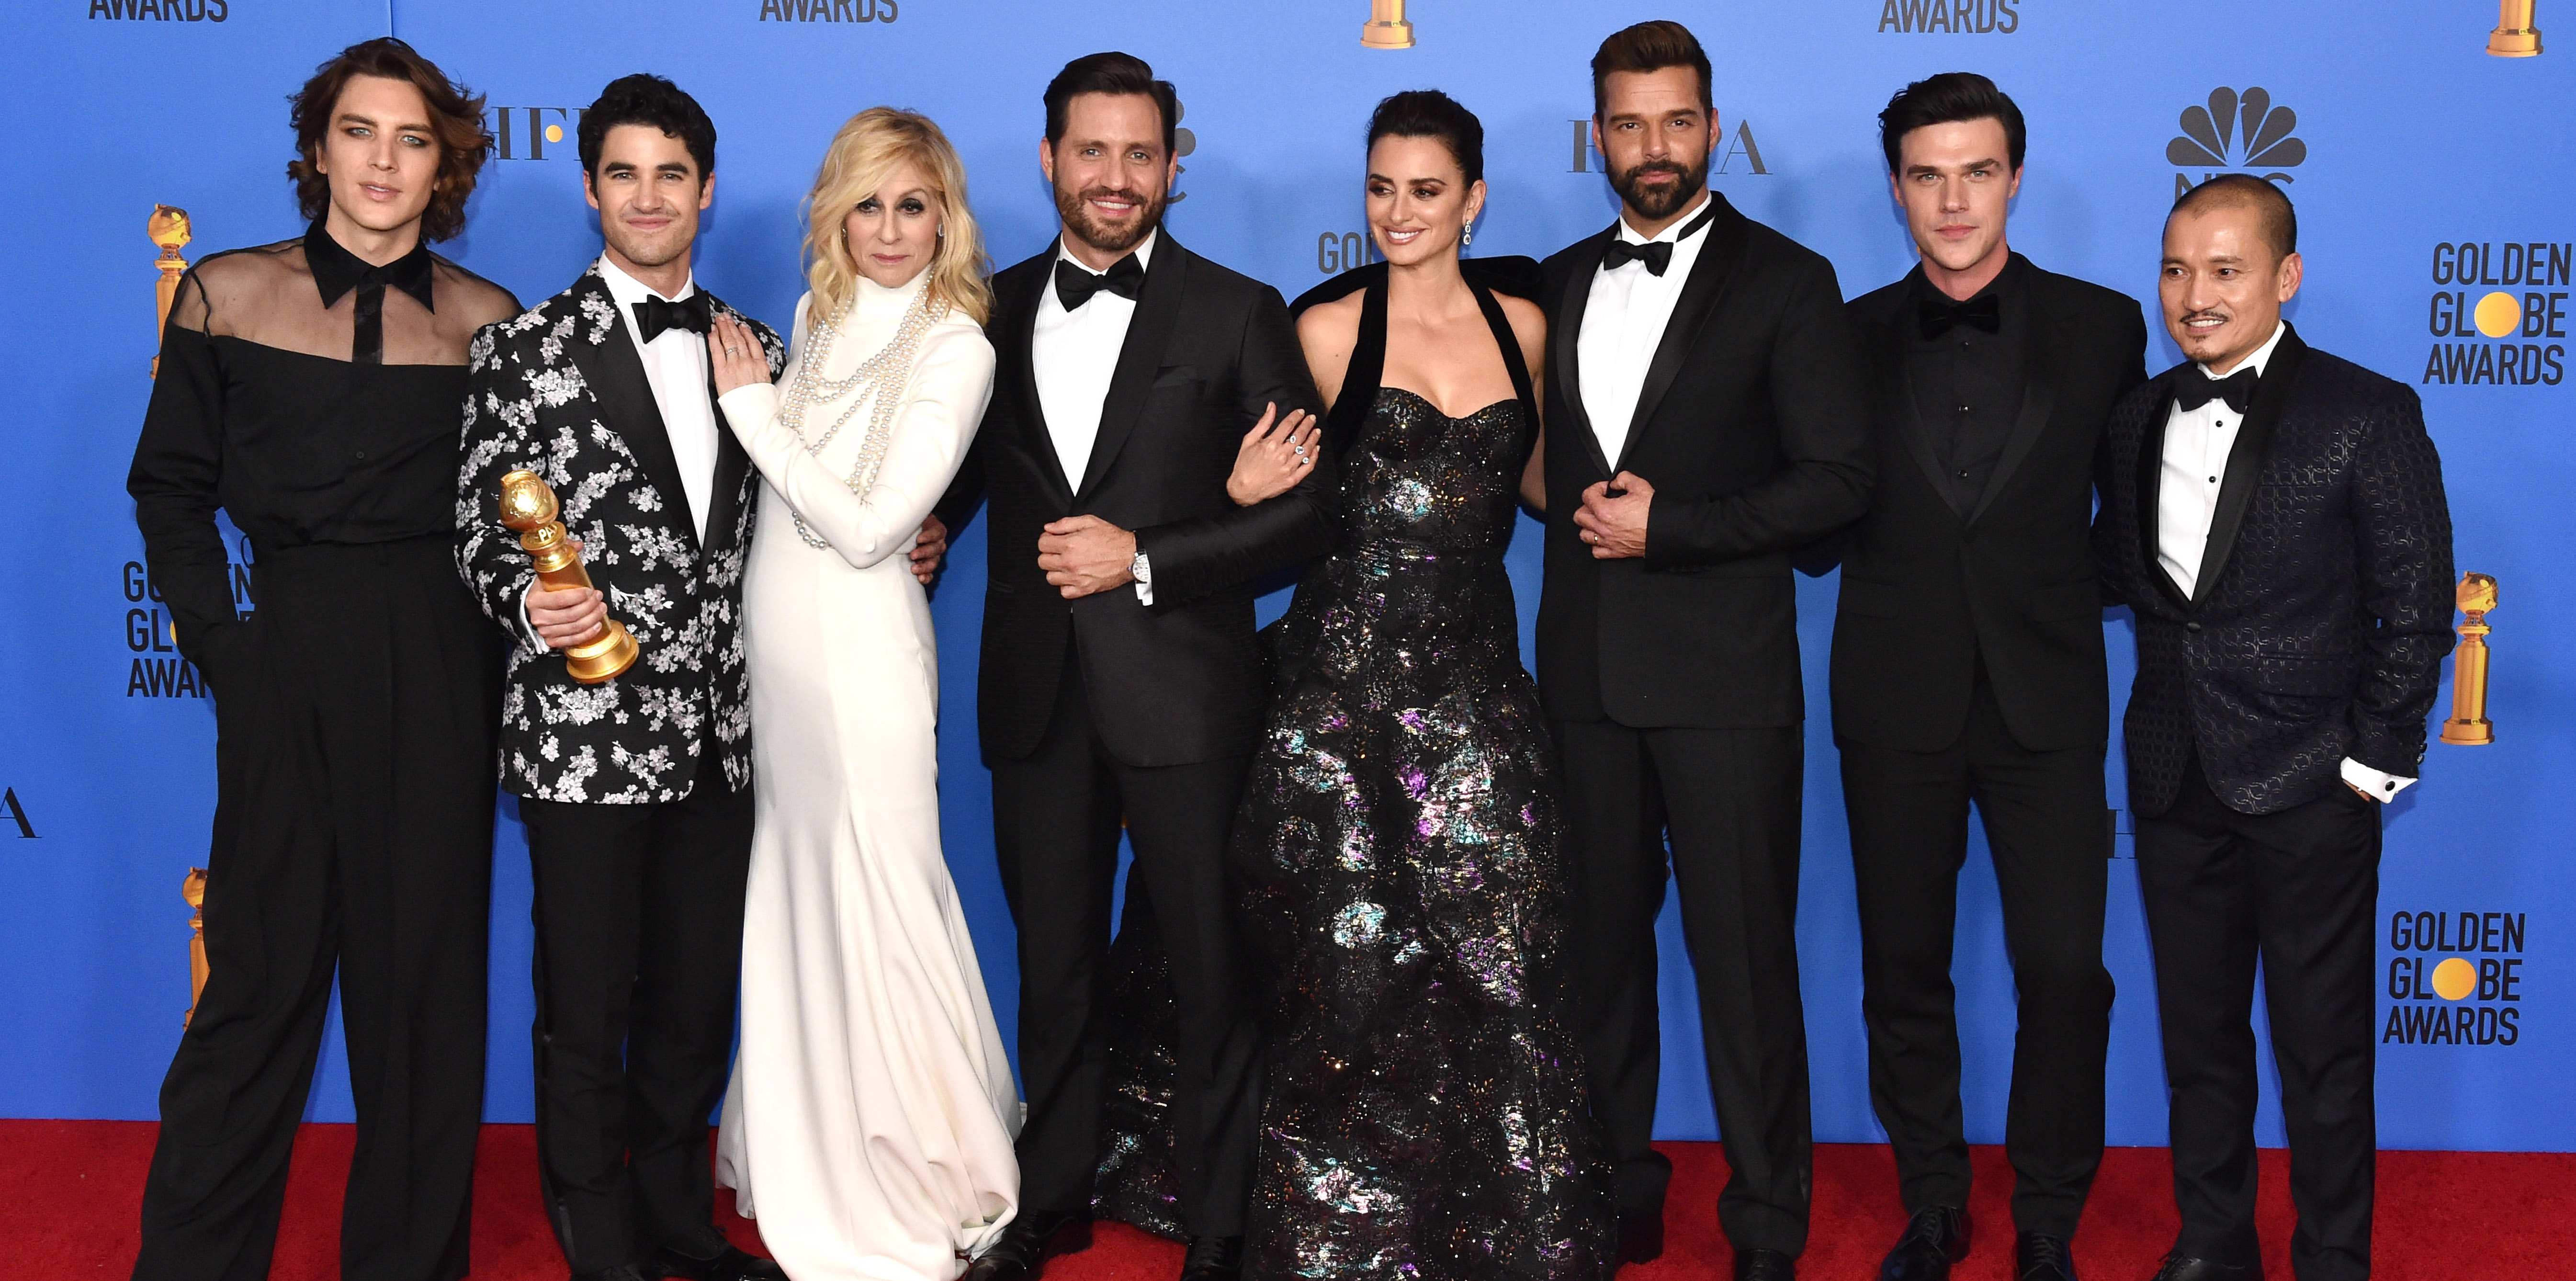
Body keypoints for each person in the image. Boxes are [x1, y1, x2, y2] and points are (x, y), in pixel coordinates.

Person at [1198, 89, 1618, 1280]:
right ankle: (1343, 1246)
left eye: (1425, 191)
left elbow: (1536, 484)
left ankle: (1509, 1237)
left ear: (1473, 200)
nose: (1397, 213)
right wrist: (1233, 498)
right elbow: (1264, 509)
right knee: (1347, 977)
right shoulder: (1326, 331)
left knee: (1515, 956)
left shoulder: (1526, 326)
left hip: (1477, 691)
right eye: (1379, 189)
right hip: (1333, 706)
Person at [932, 50, 1335, 1281]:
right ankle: (1051, 1193)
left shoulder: (1237, 309)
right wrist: (917, 531)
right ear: (1049, 158)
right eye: (1090, 151)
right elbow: (940, 476)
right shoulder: (977, 311)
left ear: (1173, 165)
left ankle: (1221, 1220)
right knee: (1052, 965)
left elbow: (1306, 515)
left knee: (1213, 969)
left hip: (1186, 696)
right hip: (1036, 694)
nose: (1115, 177)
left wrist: (1145, 554)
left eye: (1140, 154)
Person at [125, 38, 519, 1281]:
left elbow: (518, 530)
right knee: (253, 999)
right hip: (286, 657)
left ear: (444, 163)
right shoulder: (227, 295)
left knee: (423, 1012)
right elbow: (170, 494)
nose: (383, 161)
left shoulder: (488, 322)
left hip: (446, 673)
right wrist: (236, 661)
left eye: (411, 139)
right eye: (360, 132)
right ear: (317, 146)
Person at [1533, 21, 1871, 1281]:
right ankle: (1616, 1194)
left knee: (1742, 971)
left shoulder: (1788, 280)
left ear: (1712, 129)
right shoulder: (1554, 281)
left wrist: (1669, 529)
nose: (1651, 148)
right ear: (1598, 136)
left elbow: (1836, 480)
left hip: (1727, 687)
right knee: (1600, 967)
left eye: (1675, 122)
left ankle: (1768, 1220)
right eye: (1626, 124)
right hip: (1582, 684)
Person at [454, 74, 786, 1281]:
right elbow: (481, 531)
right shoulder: (520, 350)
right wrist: (528, 599)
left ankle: (674, 1219)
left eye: (673, 174)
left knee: (695, 1004)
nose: (650, 198)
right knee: (586, 1008)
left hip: (717, 739)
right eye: (624, 174)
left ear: (705, 189)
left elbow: (797, 520)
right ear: (591, 186)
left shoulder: (759, 348)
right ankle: (596, 1233)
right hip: (583, 735)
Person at [2094, 176, 2452, 1281]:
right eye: (2173, 268)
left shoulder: (2365, 410)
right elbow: (2119, 574)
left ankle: (2332, 1258)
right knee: (2199, 1045)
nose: (2191, 295)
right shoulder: (2136, 413)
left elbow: (2417, 602)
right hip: (2171, 776)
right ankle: (2213, 1245)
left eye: (2222, 268)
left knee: (2322, 1054)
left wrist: (2369, 764)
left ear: (2284, 277)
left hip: (2310, 784)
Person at [1831, 74, 2145, 1281]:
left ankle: (2050, 1218)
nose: (1951, 200)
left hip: (2047, 698)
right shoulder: (1843, 332)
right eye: (1925, 174)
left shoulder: (2107, 324)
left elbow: (2141, 502)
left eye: (1974, 171)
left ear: (2013, 177)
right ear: (1896, 186)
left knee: (2065, 970)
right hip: (1892, 695)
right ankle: (1930, 1205)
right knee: (1903, 969)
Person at [702, 107, 1020, 1281]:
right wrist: (771, 408)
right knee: (797, 889)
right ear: (835, 212)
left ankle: (918, 1166)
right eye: (868, 204)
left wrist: (751, 416)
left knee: (881, 895)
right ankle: (806, 1135)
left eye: (914, 205)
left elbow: (873, 527)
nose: (889, 230)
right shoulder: (814, 318)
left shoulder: (959, 346)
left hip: (865, 658)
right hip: (778, 655)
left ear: (947, 218)